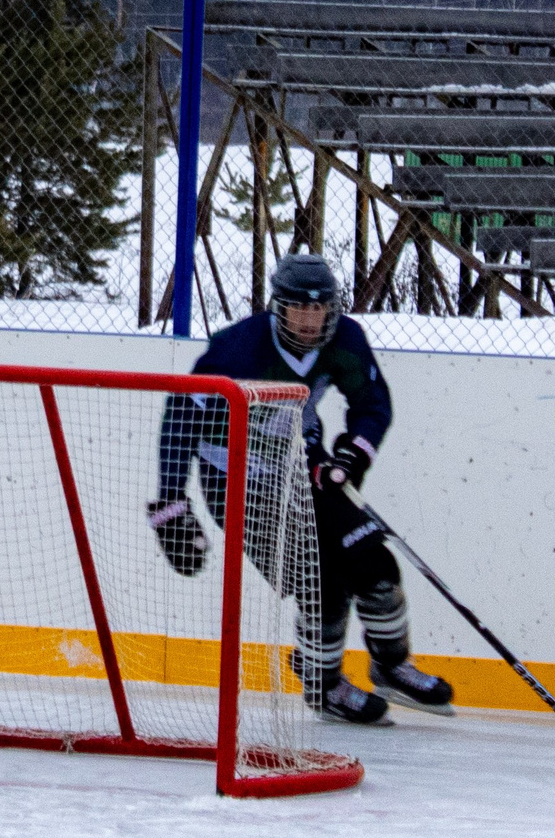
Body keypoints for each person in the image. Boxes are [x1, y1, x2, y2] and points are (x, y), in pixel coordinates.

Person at [148, 252, 452, 726]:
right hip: (236, 482)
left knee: (373, 558)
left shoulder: (345, 339)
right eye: (298, 309)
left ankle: (391, 666)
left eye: (319, 309)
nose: (310, 320)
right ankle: (322, 683)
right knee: (322, 579)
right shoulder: (236, 349)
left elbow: (373, 404)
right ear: (278, 307)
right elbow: (182, 415)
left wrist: (352, 455)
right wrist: (171, 498)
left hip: (305, 468)